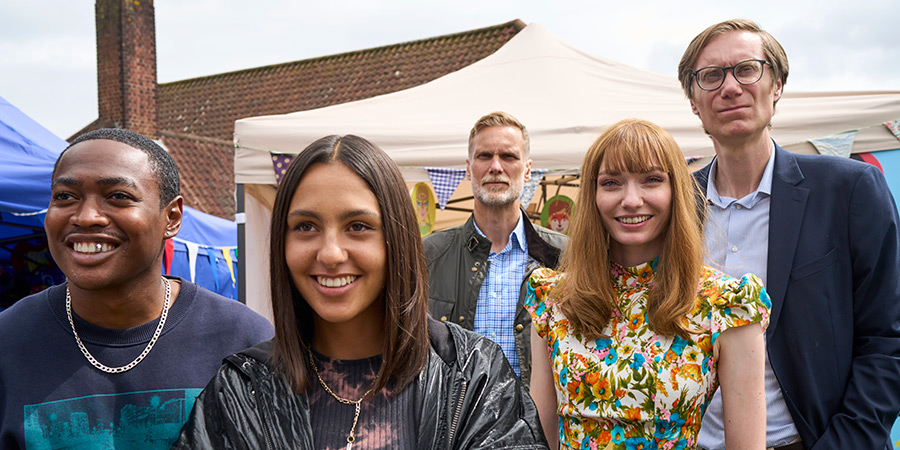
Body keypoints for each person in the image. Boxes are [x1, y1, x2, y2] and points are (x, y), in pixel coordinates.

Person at [173, 135, 548, 449]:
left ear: (395, 240)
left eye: (358, 226)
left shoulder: (473, 378)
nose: (331, 253)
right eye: (305, 226)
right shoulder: (243, 389)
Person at [677, 20, 900, 450]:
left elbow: (888, 338)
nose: (730, 87)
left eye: (747, 69)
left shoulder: (850, 191)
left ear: (776, 85)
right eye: (711, 76)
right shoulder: (674, 206)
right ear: (693, 99)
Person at [0, 128, 274, 449]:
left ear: (171, 217)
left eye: (118, 196)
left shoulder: (241, 339)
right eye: (65, 197)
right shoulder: (9, 342)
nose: (86, 216)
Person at [526, 119, 770, 449]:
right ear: (593, 195)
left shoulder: (724, 303)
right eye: (611, 183)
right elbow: (541, 435)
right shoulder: (555, 299)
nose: (631, 199)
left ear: (675, 191)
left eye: (651, 180)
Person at [424, 111, 567, 384]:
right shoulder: (427, 255)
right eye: (484, 156)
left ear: (527, 169)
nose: (496, 167)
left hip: (537, 422)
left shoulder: (566, 256)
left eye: (509, 157)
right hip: (454, 424)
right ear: (469, 168)